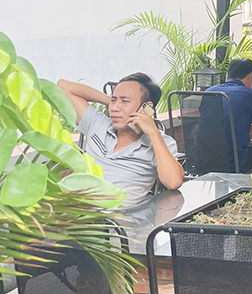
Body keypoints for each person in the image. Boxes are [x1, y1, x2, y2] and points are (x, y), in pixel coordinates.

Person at [58, 73, 184, 202]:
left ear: (146, 108)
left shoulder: (161, 142)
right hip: (77, 207)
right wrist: (111, 102)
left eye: (125, 101)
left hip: (117, 213)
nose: (115, 108)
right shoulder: (97, 124)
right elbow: (62, 86)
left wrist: (153, 133)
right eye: (114, 100)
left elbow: (173, 182)